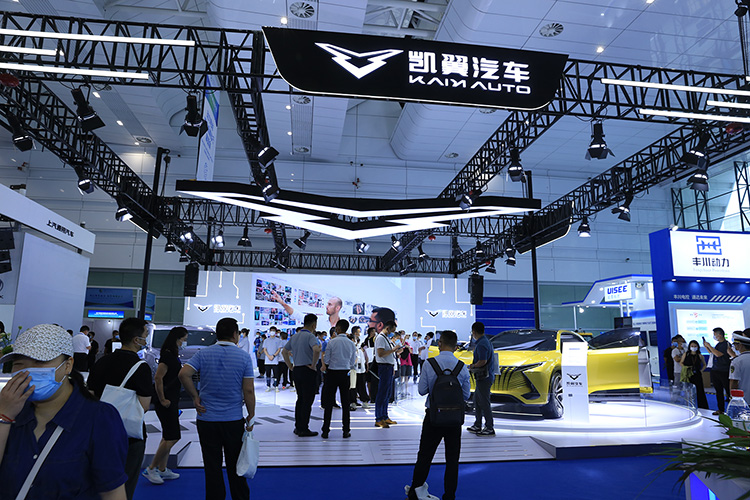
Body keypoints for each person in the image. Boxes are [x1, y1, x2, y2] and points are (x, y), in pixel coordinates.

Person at [0, 324, 129, 499]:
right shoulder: (9, 411)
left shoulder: (99, 418)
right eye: (19, 364)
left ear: (68, 365)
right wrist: (4, 417)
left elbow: (112, 492)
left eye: (40, 362)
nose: (29, 371)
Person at [179, 318, 255, 500]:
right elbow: (248, 390)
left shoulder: (203, 354)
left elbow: (184, 374)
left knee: (212, 466)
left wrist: (195, 396)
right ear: (235, 334)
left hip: (207, 419)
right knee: (236, 465)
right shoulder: (243, 357)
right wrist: (251, 415)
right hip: (233, 420)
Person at [88, 317, 153, 500]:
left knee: (97, 482)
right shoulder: (141, 367)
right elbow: (144, 406)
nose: (146, 338)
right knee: (126, 483)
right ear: (136, 340)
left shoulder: (101, 362)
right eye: (146, 334)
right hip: (130, 435)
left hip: (100, 431)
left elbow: (90, 396)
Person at [406, 330, 470, 500]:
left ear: (440, 343)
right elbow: (466, 396)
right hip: (454, 419)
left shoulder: (429, 363)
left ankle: (414, 494)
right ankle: (449, 496)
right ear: (455, 346)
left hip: (433, 417)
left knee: (425, 456)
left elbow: (422, 391)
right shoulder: (462, 367)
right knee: (452, 460)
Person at [143, 326, 188, 485]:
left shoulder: (172, 355)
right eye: (184, 339)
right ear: (177, 339)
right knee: (173, 436)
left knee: (167, 435)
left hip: (171, 399)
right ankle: (151, 468)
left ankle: (162, 469)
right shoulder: (167, 356)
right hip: (166, 401)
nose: (185, 342)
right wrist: (162, 399)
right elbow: (158, 377)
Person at [282, 313, 322, 437]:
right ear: (314, 324)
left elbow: (284, 351)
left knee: (300, 399)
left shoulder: (295, 336)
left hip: (297, 370)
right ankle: (304, 428)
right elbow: (316, 350)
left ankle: (298, 427)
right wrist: (314, 365)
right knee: (307, 400)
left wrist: (290, 366)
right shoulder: (310, 336)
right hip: (307, 370)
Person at [320, 319, 357, 439]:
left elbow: (326, 359)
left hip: (332, 373)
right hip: (344, 374)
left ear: (338, 329)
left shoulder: (332, 342)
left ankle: (325, 430)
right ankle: (346, 430)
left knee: (329, 403)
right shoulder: (351, 343)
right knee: (345, 403)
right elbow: (352, 361)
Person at [373, 312, 402, 428]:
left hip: (389, 367)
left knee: (387, 393)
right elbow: (380, 353)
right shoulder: (380, 338)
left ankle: (384, 416)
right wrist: (393, 350)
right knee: (382, 393)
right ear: (388, 328)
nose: (393, 333)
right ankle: (378, 418)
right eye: (392, 330)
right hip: (384, 367)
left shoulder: (386, 338)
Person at [467, 321, 495, 436]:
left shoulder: (482, 344)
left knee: (484, 402)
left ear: (474, 332)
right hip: (483, 377)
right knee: (477, 401)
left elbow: (482, 361)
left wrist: (472, 366)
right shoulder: (485, 341)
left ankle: (489, 427)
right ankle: (477, 424)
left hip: (484, 377)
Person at [703, 327, 737, 415]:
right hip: (715, 370)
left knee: (728, 391)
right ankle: (720, 409)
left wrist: (709, 346)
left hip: (724, 370)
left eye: (715, 335)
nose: (714, 336)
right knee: (718, 391)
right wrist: (707, 347)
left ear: (720, 335)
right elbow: (713, 354)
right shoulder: (718, 344)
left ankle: (732, 410)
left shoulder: (726, 344)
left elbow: (718, 354)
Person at [681, 340, 708, 409]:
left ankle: (701, 406)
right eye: (692, 346)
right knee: (688, 390)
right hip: (688, 375)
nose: (693, 347)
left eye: (695, 346)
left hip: (697, 375)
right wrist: (685, 368)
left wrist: (701, 370)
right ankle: (688, 404)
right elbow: (681, 362)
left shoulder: (700, 356)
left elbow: (704, 365)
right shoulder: (686, 354)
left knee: (699, 390)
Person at [730, 330, 750, 406]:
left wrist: (733, 398)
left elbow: (734, 381)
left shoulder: (737, 361)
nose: (735, 347)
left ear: (740, 345)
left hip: (745, 400)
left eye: (736, 344)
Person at [262, 327, 284, 392]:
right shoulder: (266, 340)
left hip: (275, 360)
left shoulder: (278, 340)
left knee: (276, 374)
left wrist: (273, 356)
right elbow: (264, 349)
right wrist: (269, 356)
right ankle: (268, 386)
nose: (272, 332)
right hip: (267, 360)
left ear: (276, 332)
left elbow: (279, 349)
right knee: (268, 374)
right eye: (271, 331)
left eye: (273, 331)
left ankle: (276, 386)